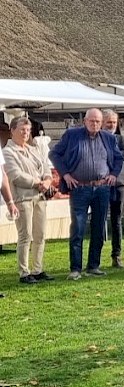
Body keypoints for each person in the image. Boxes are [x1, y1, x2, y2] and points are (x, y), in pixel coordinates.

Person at [50, 108, 123, 280]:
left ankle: (93, 266)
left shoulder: (109, 138)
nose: (95, 124)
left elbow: (118, 158)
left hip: (102, 189)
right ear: (85, 121)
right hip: (80, 188)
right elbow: (54, 154)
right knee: (78, 228)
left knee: (98, 228)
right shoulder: (72, 135)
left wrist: (113, 174)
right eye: (92, 121)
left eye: (98, 121)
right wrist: (65, 174)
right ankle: (75, 268)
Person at [4, 116, 53, 284]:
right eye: (22, 130)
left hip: (39, 197)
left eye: (28, 130)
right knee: (26, 235)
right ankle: (24, 272)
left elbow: (46, 167)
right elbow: (15, 175)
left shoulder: (33, 149)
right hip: (23, 197)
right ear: (12, 131)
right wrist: (37, 182)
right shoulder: (8, 152)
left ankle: (37, 269)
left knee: (40, 234)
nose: (25, 133)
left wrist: (47, 181)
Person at [102, 110, 124, 269]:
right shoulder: (98, 139)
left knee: (117, 220)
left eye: (114, 122)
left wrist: (110, 154)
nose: (112, 125)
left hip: (118, 184)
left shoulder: (121, 139)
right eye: (109, 122)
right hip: (101, 183)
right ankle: (96, 257)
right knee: (99, 219)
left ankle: (117, 255)